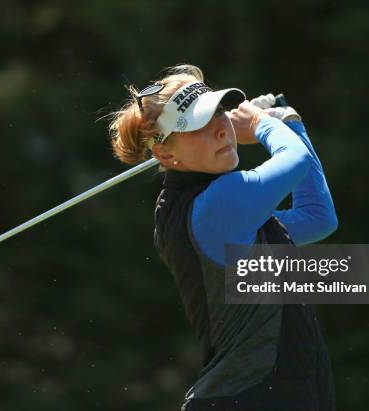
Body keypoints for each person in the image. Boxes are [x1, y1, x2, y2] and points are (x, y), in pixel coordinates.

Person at [109, 64, 338, 411]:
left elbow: (317, 217)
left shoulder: (207, 207)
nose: (220, 129)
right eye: (199, 125)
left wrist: (290, 123)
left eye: (219, 114)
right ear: (166, 154)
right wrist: (263, 125)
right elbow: (296, 160)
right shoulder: (218, 205)